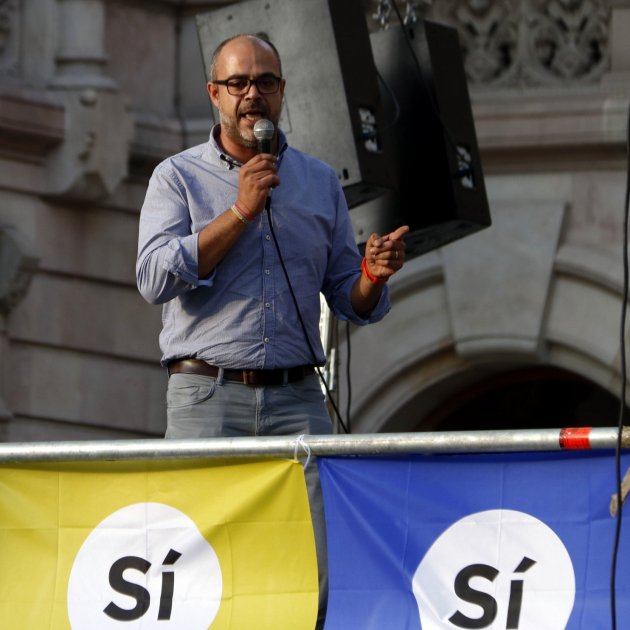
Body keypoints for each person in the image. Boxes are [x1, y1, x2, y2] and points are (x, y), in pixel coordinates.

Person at [136, 32, 408, 628]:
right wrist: (239, 212)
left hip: (296, 400)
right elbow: (153, 278)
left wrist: (371, 275)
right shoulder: (176, 177)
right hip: (207, 397)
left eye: (264, 82)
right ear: (214, 93)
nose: (251, 94)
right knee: (195, 563)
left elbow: (348, 298)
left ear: (282, 91)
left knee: (311, 562)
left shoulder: (319, 181)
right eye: (238, 83)